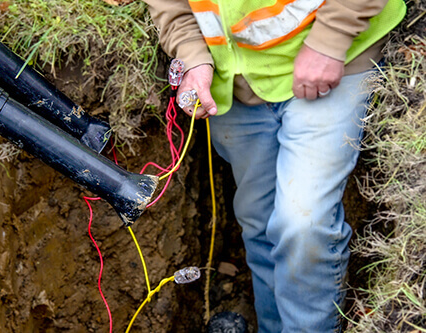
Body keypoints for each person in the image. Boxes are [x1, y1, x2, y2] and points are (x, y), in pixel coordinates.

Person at [144, 0, 405, 332]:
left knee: (303, 224)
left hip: (335, 56)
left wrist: (330, 40)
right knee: (261, 223)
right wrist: (193, 55)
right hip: (239, 83)